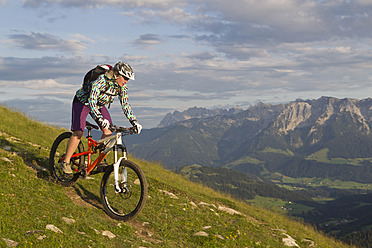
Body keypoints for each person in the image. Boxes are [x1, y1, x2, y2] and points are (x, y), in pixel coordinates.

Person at [60, 61, 142, 176]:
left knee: (108, 132)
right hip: (83, 102)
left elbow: (126, 105)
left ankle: (100, 161)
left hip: (99, 105)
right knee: (78, 132)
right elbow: (91, 102)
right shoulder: (101, 81)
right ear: (117, 74)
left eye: (128, 79)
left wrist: (134, 122)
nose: (126, 81)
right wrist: (100, 119)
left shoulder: (122, 88)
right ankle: (66, 161)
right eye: (125, 78)